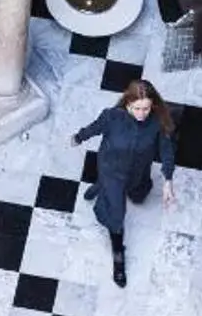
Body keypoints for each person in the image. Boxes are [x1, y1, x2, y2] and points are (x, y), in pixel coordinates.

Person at [73, 79, 178, 286]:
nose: (141, 114)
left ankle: (99, 186)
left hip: (137, 171)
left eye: (146, 108)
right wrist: (79, 137)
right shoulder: (112, 117)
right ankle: (118, 256)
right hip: (112, 171)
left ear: (153, 105)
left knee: (139, 196)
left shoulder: (157, 121)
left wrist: (168, 180)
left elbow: (167, 151)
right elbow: (94, 128)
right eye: (136, 108)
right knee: (117, 215)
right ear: (127, 104)